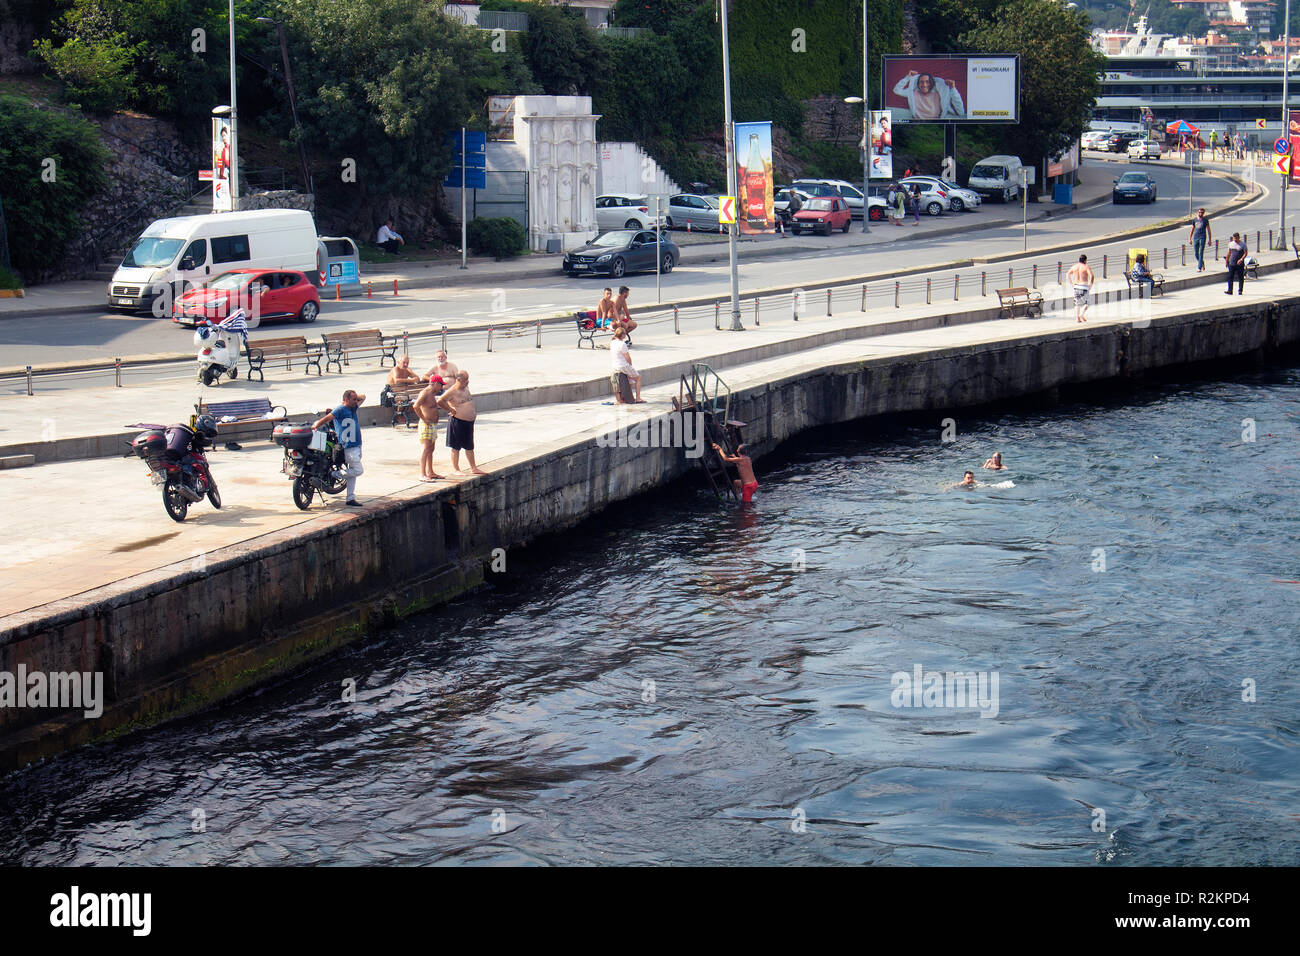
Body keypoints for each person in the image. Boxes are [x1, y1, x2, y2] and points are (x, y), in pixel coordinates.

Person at [313, 389, 366, 506]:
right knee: (358, 470)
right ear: (346, 400)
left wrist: (355, 398)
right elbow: (327, 418)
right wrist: (316, 425)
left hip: (357, 444)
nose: (356, 401)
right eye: (353, 399)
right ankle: (333, 475)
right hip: (348, 446)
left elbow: (364, 396)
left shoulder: (353, 407)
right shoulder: (340, 409)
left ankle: (350, 498)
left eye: (356, 399)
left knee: (352, 472)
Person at [437, 370, 487, 475]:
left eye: (468, 379)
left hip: (468, 422)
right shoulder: (452, 391)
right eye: (465, 380)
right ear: (458, 380)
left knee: (469, 445)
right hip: (457, 421)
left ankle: (473, 468)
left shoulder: (466, 388)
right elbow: (440, 401)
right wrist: (450, 409)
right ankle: (456, 469)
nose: (468, 382)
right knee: (456, 446)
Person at [893, 70, 965, 121]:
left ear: (931, 83)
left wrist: (953, 89)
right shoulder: (913, 93)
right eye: (922, 82)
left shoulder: (939, 95)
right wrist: (908, 77)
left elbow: (960, 112)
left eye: (927, 82)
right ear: (918, 84)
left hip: (937, 126)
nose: (924, 85)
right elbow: (896, 90)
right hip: (917, 125)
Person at [413, 378, 445, 482]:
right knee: (426, 448)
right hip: (426, 424)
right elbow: (416, 406)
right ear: (435, 383)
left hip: (433, 424)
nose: (442, 387)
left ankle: (430, 472)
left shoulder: (432, 394)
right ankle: (422, 474)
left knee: (431, 448)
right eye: (441, 385)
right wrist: (424, 419)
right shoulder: (425, 393)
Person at [610, 326, 644, 403]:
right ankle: (638, 398)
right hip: (623, 365)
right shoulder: (622, 344)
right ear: (622, 335)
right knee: (638, 378)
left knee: (630, 380)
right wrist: (631, 366)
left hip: (616, 365)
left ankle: (628, 397)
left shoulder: (612, 342)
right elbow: (627, 357)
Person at [1067, 254, 1095, 323]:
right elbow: (1091, 276)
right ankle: (1082, 315)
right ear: (1085, 260)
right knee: (1087, 303)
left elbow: (1068, 274)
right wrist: (1090, 285)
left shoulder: (1074, 266)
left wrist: (1071, 284)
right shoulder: (1086, 267)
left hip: (1076, 286)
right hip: (1084, 286)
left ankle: (1077, 318)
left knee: (1077, 303)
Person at [1189, 208, 1212, 272]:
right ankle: (1201, 262)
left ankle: (1199, 267)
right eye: (1199, 212)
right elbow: (1192, 229)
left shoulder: (1205, 220)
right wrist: (1189, 238)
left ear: (1203, 213)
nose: (1200, 214)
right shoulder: (1195, 220)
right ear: (1198, 212)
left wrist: (1210, 240)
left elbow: (1209, 230)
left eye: (1202, 212)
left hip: (1202, 237)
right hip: (1196, 237)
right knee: (1196, 253)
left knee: (1201, 252)